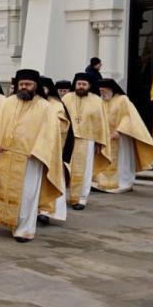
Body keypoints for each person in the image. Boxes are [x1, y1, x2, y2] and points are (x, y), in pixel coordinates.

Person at [0, 69, 64, 242]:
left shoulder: (45, 107)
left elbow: (50, 133)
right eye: (21, 84)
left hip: (30, 158)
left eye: (28, 84)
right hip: (8, 155)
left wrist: (38, 151)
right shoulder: (8, 102)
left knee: (28, 195)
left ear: (35, 86)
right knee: (7, 192)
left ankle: (26, 229)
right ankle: (13, 223)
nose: (24, 87)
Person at [94, 79, 153, 194]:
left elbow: (129, 116)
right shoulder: (100, 101)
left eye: (104, 91)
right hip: (106, 137)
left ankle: (123, 182)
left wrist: (119, 131)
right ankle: (104, 183)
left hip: (121, 137)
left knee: (122, 160)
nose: (102, 94)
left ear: (111, 89)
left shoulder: (122, 99)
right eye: (100, 91)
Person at [61, 73, 111, 211]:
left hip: (87, 139)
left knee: (85, 171)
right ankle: (63, 196)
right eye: (79, 84)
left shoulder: (96, 100)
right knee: (65, 168)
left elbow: (101, 123)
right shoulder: (67, 98)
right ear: (75, 84)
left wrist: (100, 142)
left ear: (89, 86)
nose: (81, 86)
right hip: (67, 140)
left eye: (84, 84)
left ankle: (81, 198)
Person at [37, 77, 74, 225]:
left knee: (51, 180)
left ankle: (47, 211)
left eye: (45, 88)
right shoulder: (33, 103)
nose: (43, 91)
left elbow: (62, 126)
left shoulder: (56, 105)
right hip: (34, 151)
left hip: (52, 150)